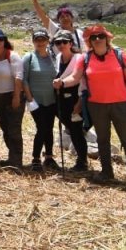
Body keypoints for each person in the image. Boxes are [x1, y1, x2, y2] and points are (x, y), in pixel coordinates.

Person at [63, 24, 126, 185]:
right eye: (94, 37)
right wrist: (61, 82)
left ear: (107, 38)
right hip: (96, 105)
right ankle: (107, 172)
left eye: (101, 36)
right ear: (89, 41)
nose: (98, 39)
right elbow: (75, 78)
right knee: (102, 140)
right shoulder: (85, 58)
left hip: (120, 104)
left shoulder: (120, 55)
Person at [50, 30, 89, 172]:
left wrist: (61, 82)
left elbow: (76, 77)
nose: (61, 45)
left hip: (75, 98)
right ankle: (81, 159)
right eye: (58, 42)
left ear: (71, 43)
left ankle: (82, 161)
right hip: (62, 98)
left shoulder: (78, 58)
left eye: (64, 42)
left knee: (76, 130)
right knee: (72, 129)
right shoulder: (59, 57)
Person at [0, 28, 24, 168]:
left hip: (12, 95)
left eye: (0, 39)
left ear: (5, 40)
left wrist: (16, 96)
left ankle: (17, 162)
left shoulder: (13, 56)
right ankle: (11, 158)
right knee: (5, 128)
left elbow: (19, 77)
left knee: (14, 129)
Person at [21, 28, 59, 171]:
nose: (40, 42)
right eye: (37, 39)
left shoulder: (53, 57)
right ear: (33, 42)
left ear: (48, 41)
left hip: (51, 100)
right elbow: (24, 80)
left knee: (49, 128)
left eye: (43, 39)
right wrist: (30, 99)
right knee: (42, 128)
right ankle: (36, 159)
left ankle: (48, 157)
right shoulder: (29, 57)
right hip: (35, 101)